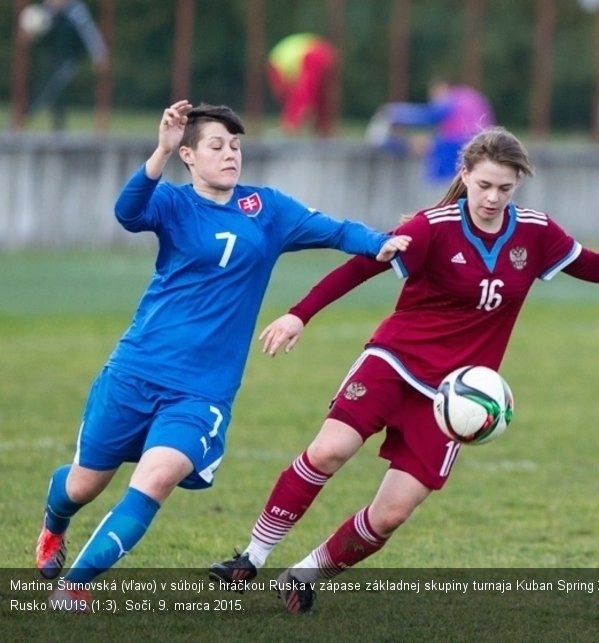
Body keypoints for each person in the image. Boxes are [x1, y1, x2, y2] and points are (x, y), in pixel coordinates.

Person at [208, 126, 599, 614]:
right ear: (466, 173)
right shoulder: (432, 227)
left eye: (505, 188)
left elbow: (592, 265)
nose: (493, 197)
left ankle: (307, 574)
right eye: (485, 184)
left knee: (391, 515)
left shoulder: (534, 233)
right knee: (331, 448)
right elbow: (363, 265)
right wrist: (300, 313)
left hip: (455, 397)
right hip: (394, 360)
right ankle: (250, 558)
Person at [36, 100, 410, 611]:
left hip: (202, 390)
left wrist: (382, 243)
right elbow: (127, 213)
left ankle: (74, 584)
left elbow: (337, 230)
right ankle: (54, 528)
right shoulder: (173, 204)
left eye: (236, 146)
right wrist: (158, 152)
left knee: (157, 478)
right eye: (217, 146)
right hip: (134, 370)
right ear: (188, 155)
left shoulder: (268, 209)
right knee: (82, 485)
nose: (231, 154)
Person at [372, 77, 495, 183]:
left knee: (423, 147)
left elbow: (427, 115)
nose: (434, 100)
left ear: (443, 88)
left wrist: (393, 112)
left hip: (460, 145)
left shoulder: (451, 100)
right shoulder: (470, 96)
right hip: (481, 147)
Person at [25, 0, 108, 131]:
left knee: (51, 88)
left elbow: (89, 33)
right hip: (52, 58)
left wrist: (99, 53)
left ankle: (25, 115)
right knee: (55, 91)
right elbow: (39, 27)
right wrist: (31, 35)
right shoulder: (46, 9)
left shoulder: (76, 11)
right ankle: (57, 128)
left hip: (69, 59)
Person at [266, 33, 338, 136]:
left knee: (304, 92)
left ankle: (290, 125)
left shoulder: (274, 66)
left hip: (314, 54)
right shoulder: (281, 59)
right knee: (320, 96)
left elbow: (286, 93)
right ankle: (323, 129)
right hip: (325, 53)